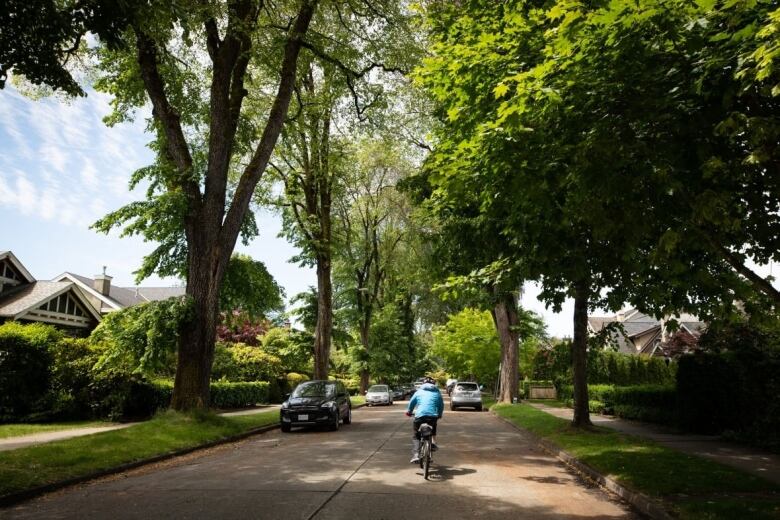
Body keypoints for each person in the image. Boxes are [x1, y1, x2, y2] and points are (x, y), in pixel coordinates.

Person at [405, 376, 444, 463]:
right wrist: (440, 414)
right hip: (432, 417)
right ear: (433, 384)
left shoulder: (419, 392)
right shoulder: (437, 393)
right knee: (433, 426)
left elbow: (412, 402)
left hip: (420, 416)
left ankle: (416, 454)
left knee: (416, 435)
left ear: (423, 384)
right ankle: (433, 443)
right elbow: (441, 405)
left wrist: (409, 411)